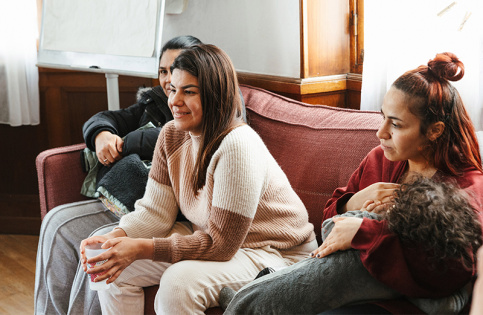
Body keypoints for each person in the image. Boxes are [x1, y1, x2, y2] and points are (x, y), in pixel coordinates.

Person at [222, 52, 483, 314]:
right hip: (351, 282)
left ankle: (252, 296)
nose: (381, 132)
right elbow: (328, 226)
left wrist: (366, 232)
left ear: (434, 131)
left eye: (396, 125)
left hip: (402, 301)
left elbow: (454, 263)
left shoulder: (468, 184)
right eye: (383, 117)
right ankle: (259, 292)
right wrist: (352, 203)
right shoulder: (381, 159)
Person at [78, 44, 316, 314]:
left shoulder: (237, 145)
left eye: (188, 92)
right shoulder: (171, 135)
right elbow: (155, 213)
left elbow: (221, 244)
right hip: (214, 237)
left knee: (178, 284)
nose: (174, 102)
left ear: (215, 96)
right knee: (110, 261)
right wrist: (117, 237)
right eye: (172, 89)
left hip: (275, 252)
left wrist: (140, 248)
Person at [34, 35, 202, 315]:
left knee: (103, 246)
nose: (169, 79)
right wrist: (102, 135)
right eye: (163, 71)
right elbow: (105, 117)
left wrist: (128, 141)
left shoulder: (213, 107)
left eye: (177, 69)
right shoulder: (157, 101)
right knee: (56, 223)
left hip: (169, 212)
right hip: (136, 202)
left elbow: (179, 138)